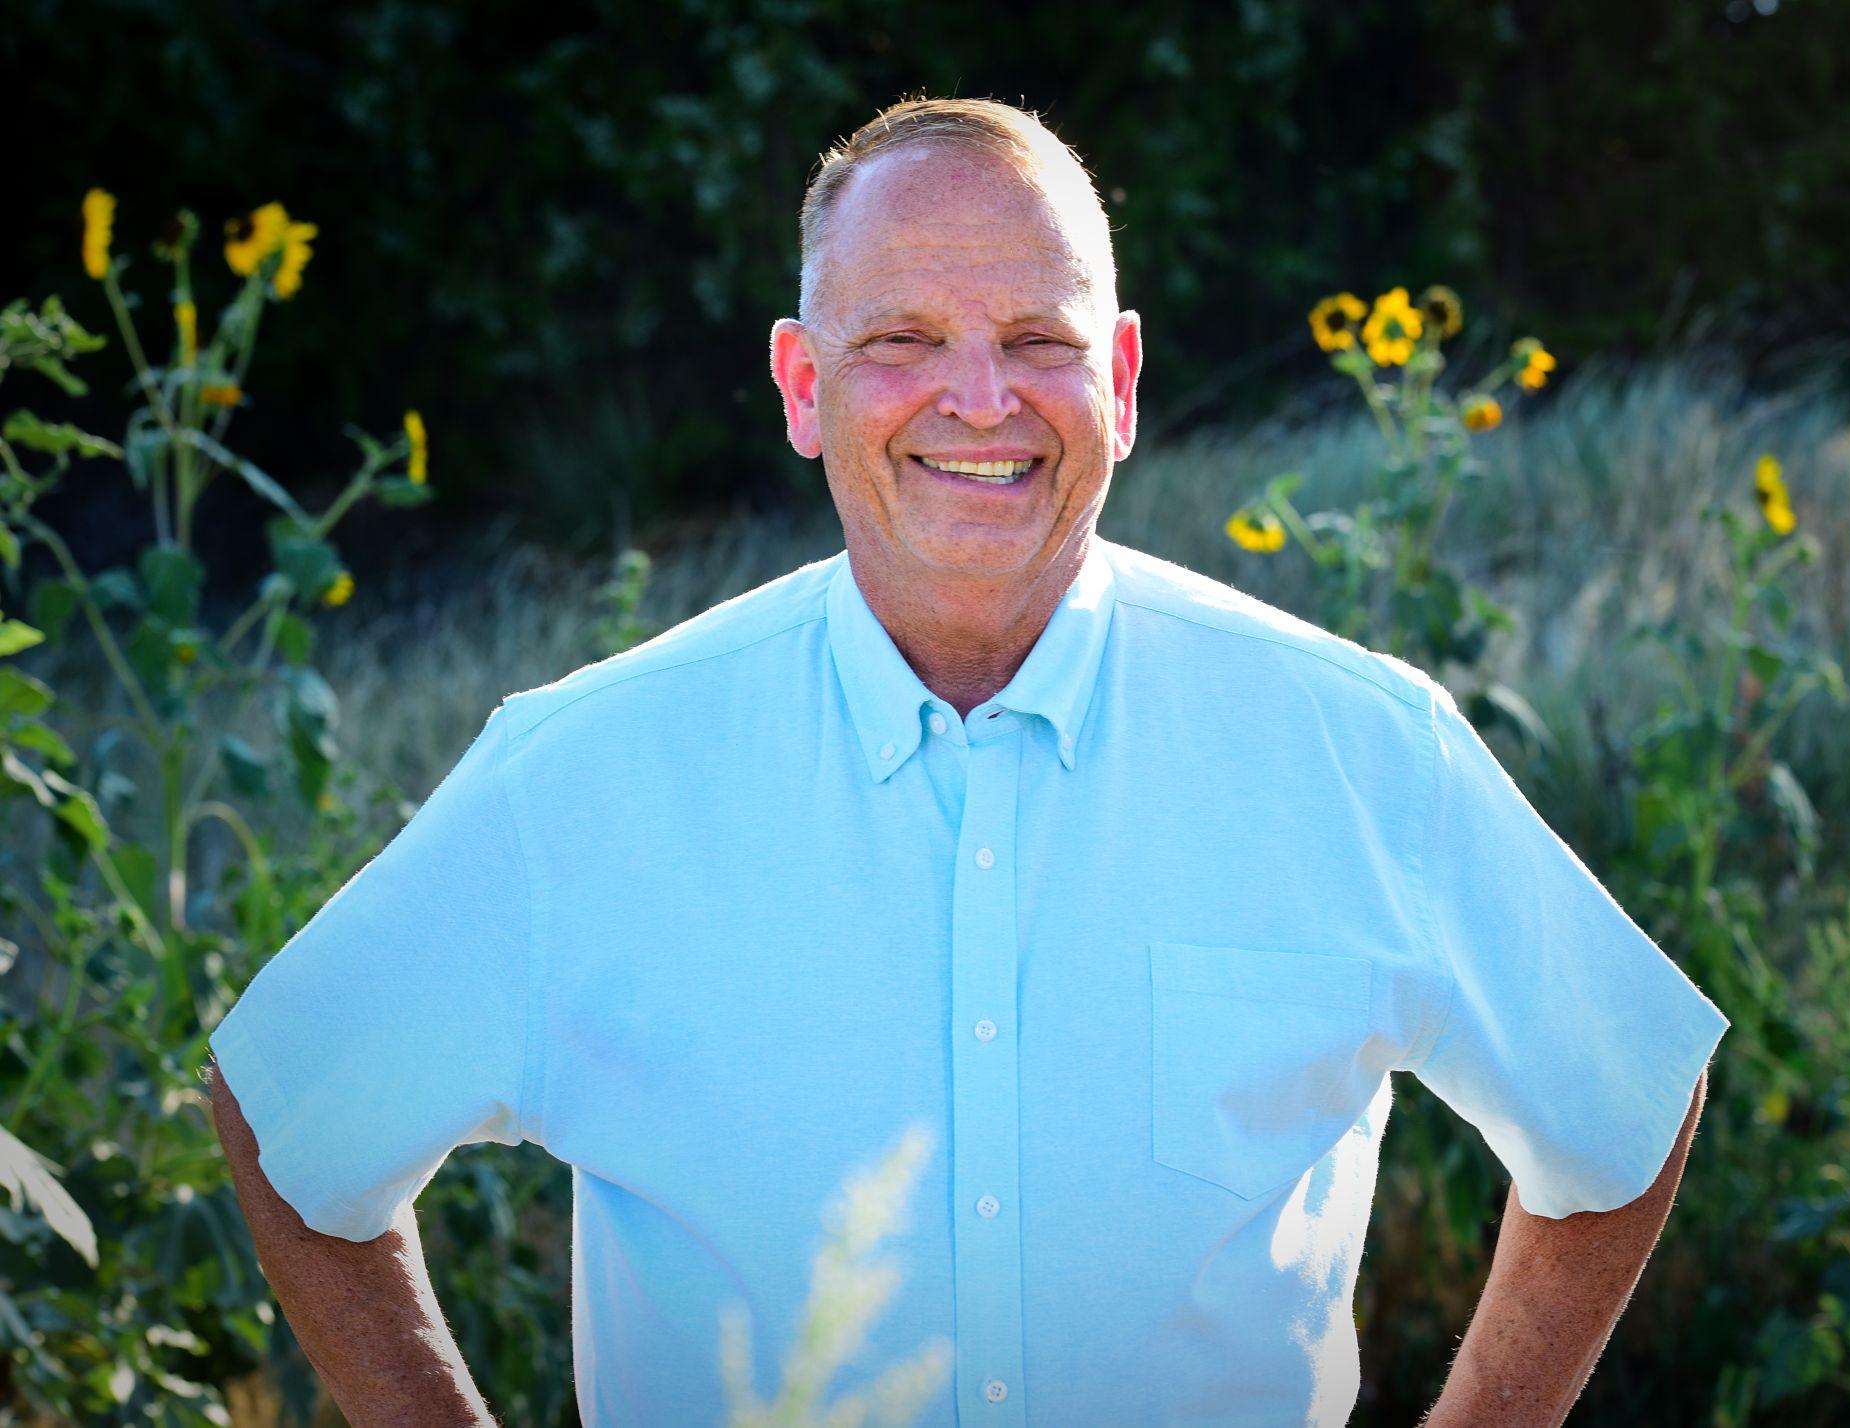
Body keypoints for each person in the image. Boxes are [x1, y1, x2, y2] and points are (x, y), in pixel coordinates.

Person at [206, 96, 1728, 1427]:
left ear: (1121, 381)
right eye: (905, 341)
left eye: (1039, 342)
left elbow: (1623, 1109)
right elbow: (289, 1122)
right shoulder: (587, 780)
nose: (984, 400)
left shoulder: (1353, 749)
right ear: (804, 387)